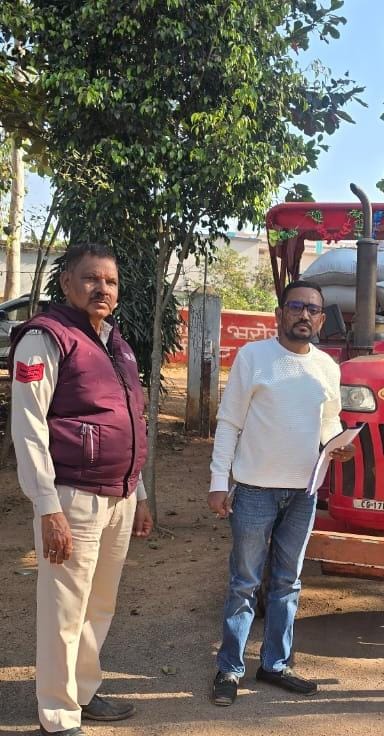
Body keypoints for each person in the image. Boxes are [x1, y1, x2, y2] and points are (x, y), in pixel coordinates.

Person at [9, 242, 153, 736]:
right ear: (66, 282)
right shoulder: (45, 338)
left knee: (99, 605)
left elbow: (130, 421)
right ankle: (57, 713)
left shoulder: (116, 342)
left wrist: (140, 494)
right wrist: (47, 507)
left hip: (119, 496)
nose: (101, 289)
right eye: (91, 278)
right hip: (72, 497)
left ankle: (84, 691)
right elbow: (28, 427)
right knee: (64, 609)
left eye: (110, 281)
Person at [208, 280, 355, 706]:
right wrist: (219, 482)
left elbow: (329, 420)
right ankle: (230, 669)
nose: (304, 315)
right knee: (245, 583)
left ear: (321, 320)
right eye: (296, 306)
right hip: (254, 489)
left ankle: (275, 664)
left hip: (304, 492)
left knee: (288, 583)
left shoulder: (327, 367)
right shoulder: (253, 357)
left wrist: (338, 444)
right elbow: (230, 422)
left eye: (313, 309)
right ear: (279, 314)